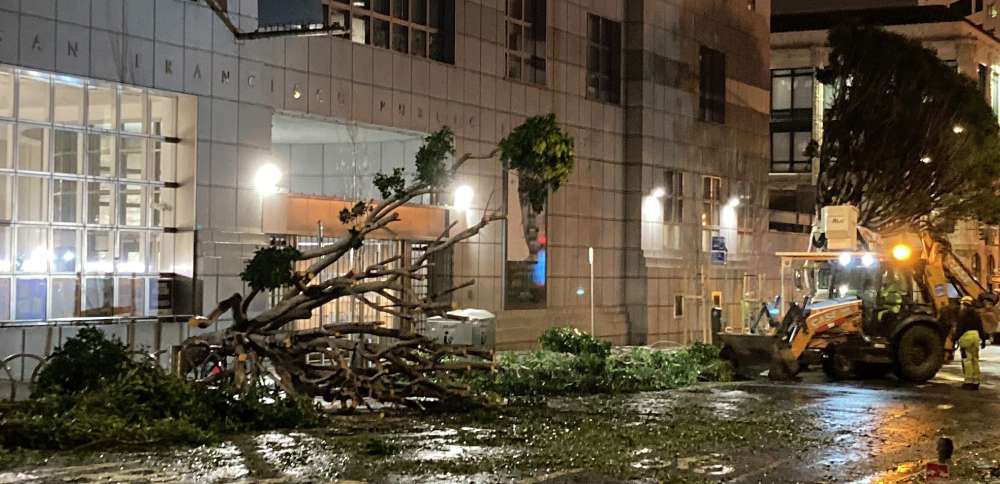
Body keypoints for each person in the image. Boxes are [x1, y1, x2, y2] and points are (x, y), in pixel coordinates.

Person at [956, 296, 989, 390]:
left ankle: (968, 382)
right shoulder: (977, 314)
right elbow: (980, 327)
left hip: (966, 337)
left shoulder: (962, 314)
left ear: (964, 304)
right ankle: (976, 381)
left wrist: (954, 338)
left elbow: (960, 328)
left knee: (967, 360)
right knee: (975, 359)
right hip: (976, 336)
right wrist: (983, 340)